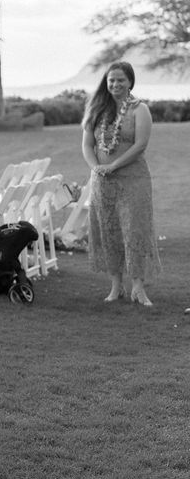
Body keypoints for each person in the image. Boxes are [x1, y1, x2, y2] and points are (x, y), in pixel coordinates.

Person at [81, 61, 161, 306]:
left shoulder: (140, 109)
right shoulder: (97, 109)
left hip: (133, 180)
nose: (115, 84)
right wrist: (96, 167)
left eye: (120, 80)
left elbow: (140, 145)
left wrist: (114, 165)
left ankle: (138, 287)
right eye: (111, 80)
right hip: (103, 182)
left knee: (135, 230)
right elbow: (87, 145)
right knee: (109, 231)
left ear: (130, 82)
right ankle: (116, 286)